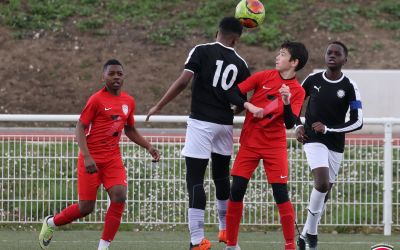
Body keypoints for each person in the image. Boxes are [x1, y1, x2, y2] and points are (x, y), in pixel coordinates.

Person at [146, 17, 250, 250]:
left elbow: (184, 81)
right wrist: (235, 108)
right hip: (224, 125)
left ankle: (197, 240)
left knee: (195, 179)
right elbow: (241, 101)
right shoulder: (241, 63)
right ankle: (226, 234)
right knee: (222, 178)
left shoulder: (202, 50)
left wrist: (159, 105)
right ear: (236, 39)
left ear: (217, 32)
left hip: (201, 123)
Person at [38, 59, 160, 250]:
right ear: (103, 77)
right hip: (91, 159)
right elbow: (80, 127)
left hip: (112, 159)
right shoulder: (96, 100)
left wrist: (149, 147)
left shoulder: (128, 101)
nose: (116, 77)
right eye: (111, 74)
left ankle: (103, 247)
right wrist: (87, 156)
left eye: (119, 73)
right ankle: (51, 222)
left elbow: (130, 129)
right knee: (86, 208)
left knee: (119, 196)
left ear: (124, 76)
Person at [224, 41, 309, 250]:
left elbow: (290, 123)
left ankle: (290, 245)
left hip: (274, 146)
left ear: (294, 62)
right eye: (278, 53)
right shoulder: (264, 76)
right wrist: (249, 105)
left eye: (282, 54)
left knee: (281, 194)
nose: (277, 57)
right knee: (236, 191)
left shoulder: (297, 90)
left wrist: (286, 101)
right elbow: (232, 92)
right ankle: (231, 245)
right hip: (250, 143)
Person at [296, 41, 363, 250]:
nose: (332, 56)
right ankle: (312, 236)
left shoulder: (350, 86)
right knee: (322, 184)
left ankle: (305, 233)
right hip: (312, 139)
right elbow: (295, 103)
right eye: (329, 53)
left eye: (337, 54)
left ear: (345, 59)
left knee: (325, 192)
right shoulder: (313, 80)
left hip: (335, 142)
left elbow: (358, 120)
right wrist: (298, 125)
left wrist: (329, 129)